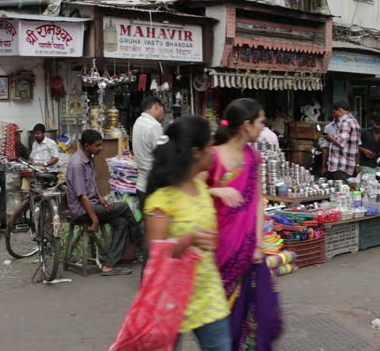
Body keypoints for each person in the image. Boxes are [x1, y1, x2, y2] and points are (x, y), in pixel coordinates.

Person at [144, 116, 231, 350]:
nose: (214, 151)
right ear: (196, 152)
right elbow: (157, 256)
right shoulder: (161, 200)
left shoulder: (202, 189)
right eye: (210, 145)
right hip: (170, 299)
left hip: (208, 294)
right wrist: (187, 240)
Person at [207, 98, 281, 350]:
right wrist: (217, 192)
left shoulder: (253, 156)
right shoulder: (212, 157)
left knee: (265, 318)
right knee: (225, 323)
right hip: (220, 251)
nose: (263, 127)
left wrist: (258, 243)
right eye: (260, 122)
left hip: (249, 249)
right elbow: (189, 193)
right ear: (246, 124)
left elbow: (258, 201)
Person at [65, 130, 140, 276]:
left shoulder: (90, 157)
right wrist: (94, 220)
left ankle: (109, 266)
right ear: (87, 146)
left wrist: (101, 199)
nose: (101, 148)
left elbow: (92, 186)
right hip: (82, 210)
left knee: (122, 222)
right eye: (98, 145)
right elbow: (83, 197)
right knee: (124, 206)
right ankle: (137, 237)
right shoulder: (77, 164)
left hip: (92, 204)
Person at [131, 96, 165, 196]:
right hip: (153, 186)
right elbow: (162, 156)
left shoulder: (138, 122)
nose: (163, 113)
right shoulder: (154, 126)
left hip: (141, 184)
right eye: (163, 108)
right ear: (156, 106)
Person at [322, 100, 361, 180]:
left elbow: (340, 142)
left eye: (334, 112)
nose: (333, 115)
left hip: (341, 166)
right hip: (346, 165)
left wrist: (330, 138)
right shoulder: (354, 121)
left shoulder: (345, 122)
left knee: (340, 191)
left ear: (339, 110)